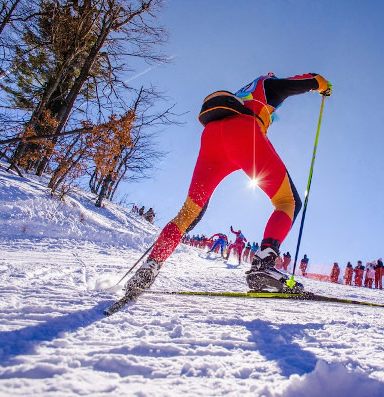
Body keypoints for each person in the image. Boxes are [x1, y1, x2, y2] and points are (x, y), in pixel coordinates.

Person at [123, 73, 331, 296]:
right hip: (244, 134)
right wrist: (323, 85)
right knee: (287, 201)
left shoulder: (240, 93)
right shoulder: (266, 85)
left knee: (189, 212)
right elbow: (303, 82)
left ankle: (151, 265)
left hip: (212, 137)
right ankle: (263, 265)